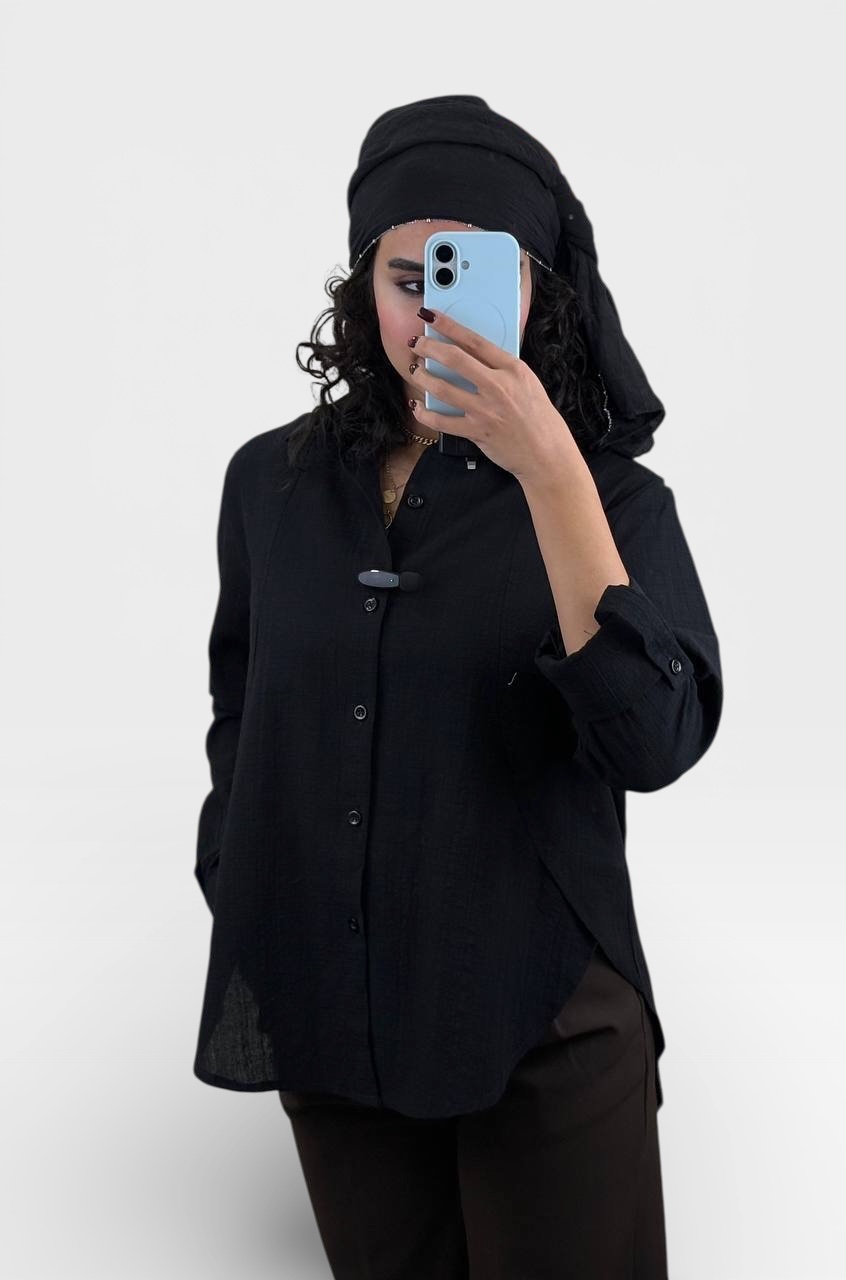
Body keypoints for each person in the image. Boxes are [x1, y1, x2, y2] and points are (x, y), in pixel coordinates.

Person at [192, 95, 724, 1278]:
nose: (433, 311)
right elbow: (243, 706)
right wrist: (238, 867)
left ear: (536, 290)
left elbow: (655, 740)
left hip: (542, 1022)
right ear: (361, 287)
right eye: (404, 276)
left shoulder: (616, 501)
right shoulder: (270, 484)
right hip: (333, 1009)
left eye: (474, 274)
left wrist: (550, 472)